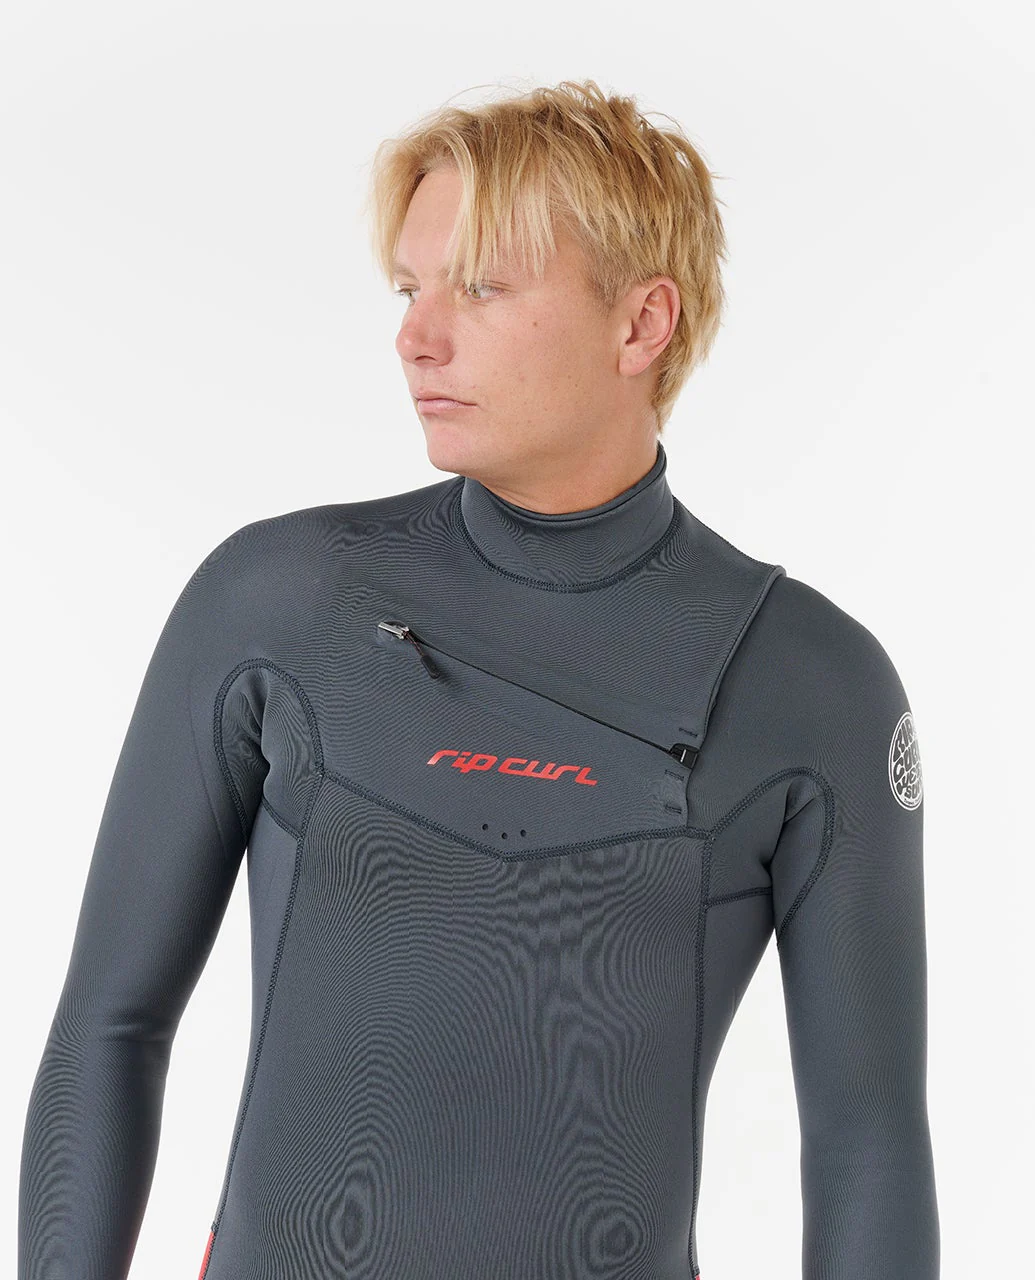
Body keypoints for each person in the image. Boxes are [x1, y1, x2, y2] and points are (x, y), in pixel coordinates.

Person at [18, 78, 939, 1279]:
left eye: (483, 287)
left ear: (641, 324)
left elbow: (870, 1143)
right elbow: (109, 1023)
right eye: (411, 288)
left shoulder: (813, 686)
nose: (418, 335)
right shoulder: (280, 603)